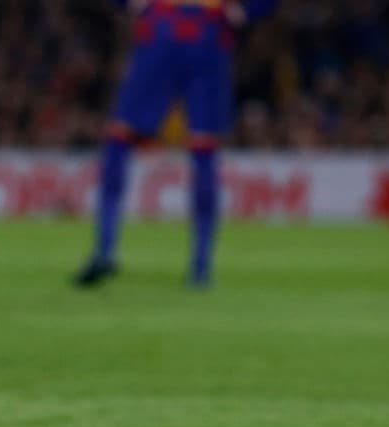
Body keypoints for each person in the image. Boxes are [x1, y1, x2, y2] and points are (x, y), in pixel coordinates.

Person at [75, 0, 277, 288]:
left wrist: (248, 10)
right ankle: (196, 266)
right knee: (133, 143)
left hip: (183, 30)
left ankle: (113, 251)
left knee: (183, 148)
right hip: (187, 31)